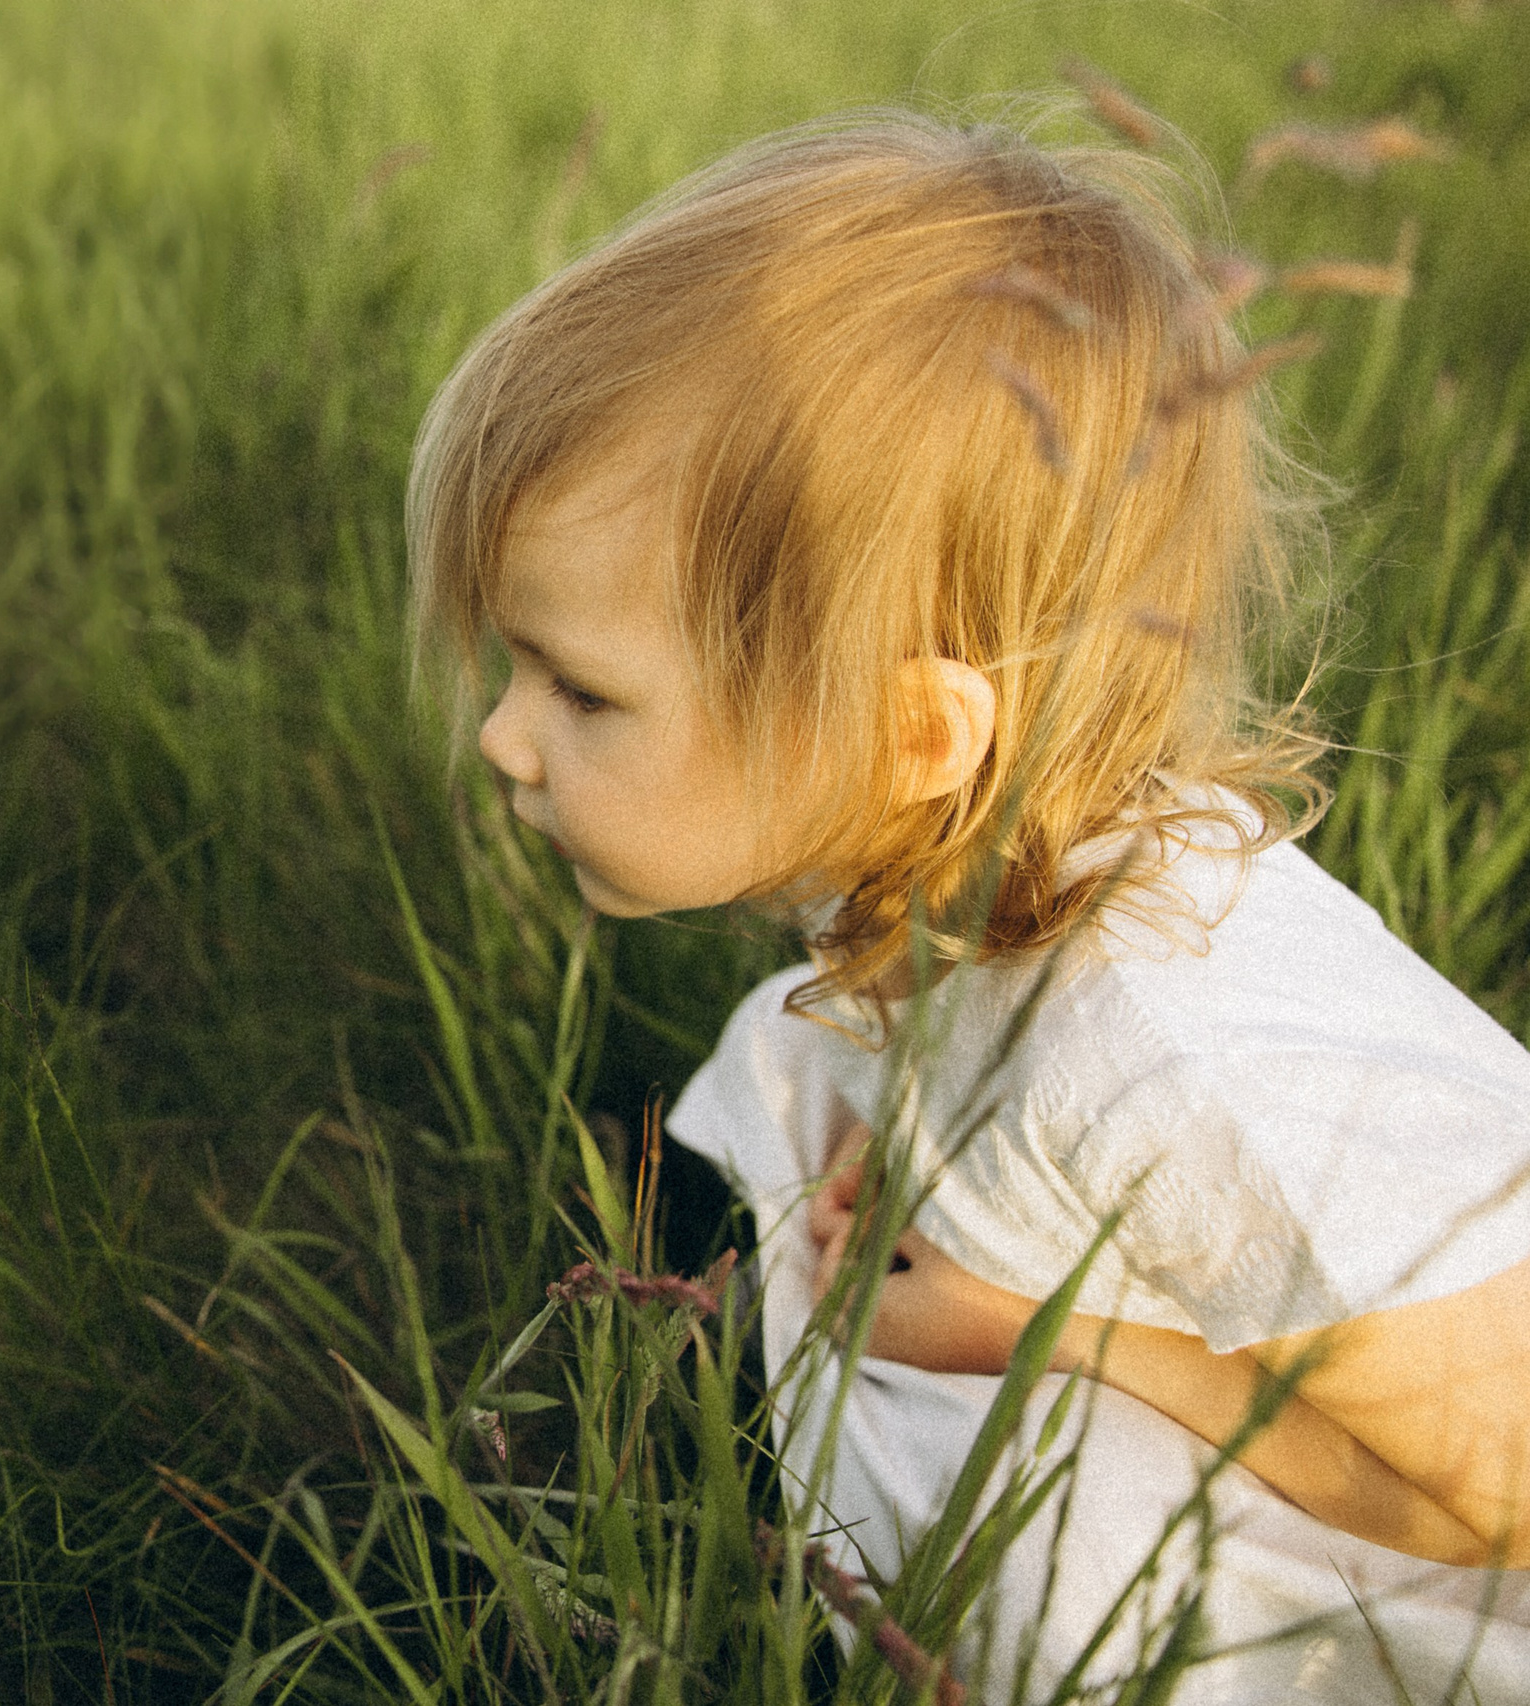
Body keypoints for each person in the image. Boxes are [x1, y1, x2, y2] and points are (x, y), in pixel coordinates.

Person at [406, 106, 1530, 1701]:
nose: (506, 740)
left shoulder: (1174, 1060)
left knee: (1057, 1562)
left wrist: (1047, 1330)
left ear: (913, 738)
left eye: (582, 691)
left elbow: (1499, 1476)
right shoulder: (939, 861)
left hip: (1409, 1571)